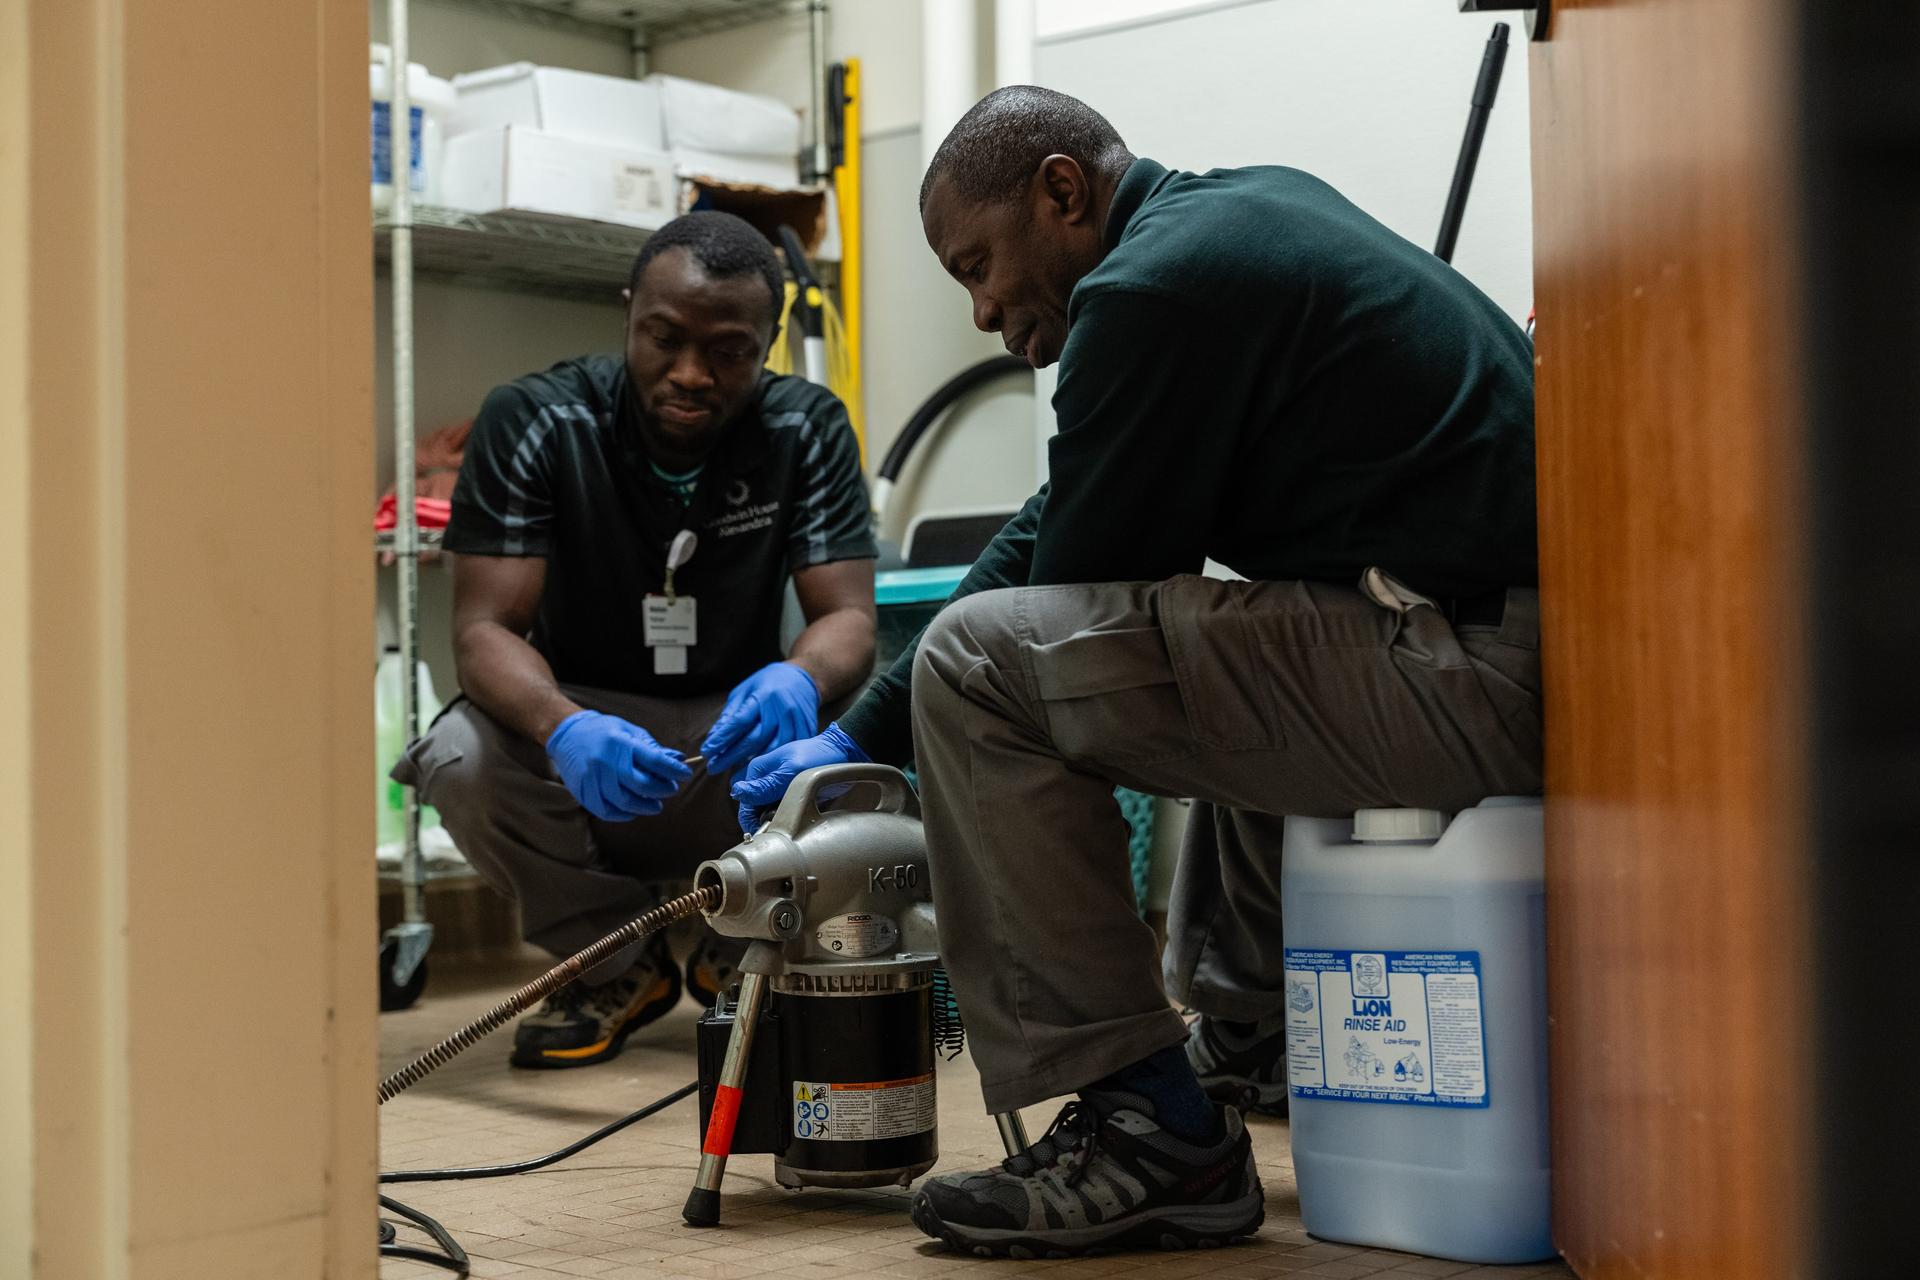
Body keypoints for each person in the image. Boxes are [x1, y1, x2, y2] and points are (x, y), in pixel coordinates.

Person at [732, 88, 1539, 1256]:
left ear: (1062, 191)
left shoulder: (1152, 290)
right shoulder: (1225, 223)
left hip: (1484, 673)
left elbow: (1054, 616)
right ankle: (1252, 1039)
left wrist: (894, 721)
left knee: (980, 668)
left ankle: (1152, 1128)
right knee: (1232, 627)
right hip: (1494, 646)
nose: (981, 311)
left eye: (978, 266)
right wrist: (859, 732)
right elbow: (1061, 518)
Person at [393, 212, 877, 1069]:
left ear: (768, 345)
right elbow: (482, 630)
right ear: (628, 314)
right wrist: (562, 725)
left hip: (736, 747)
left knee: (877, 722)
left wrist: (799, 678)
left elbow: (849, 618)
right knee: (457, 754)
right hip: (588, 742)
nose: (690, 372)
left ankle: (748, 943)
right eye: (664, 337)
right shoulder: (536, 419)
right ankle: (615, 963)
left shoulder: (805, 427)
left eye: (728, 350)